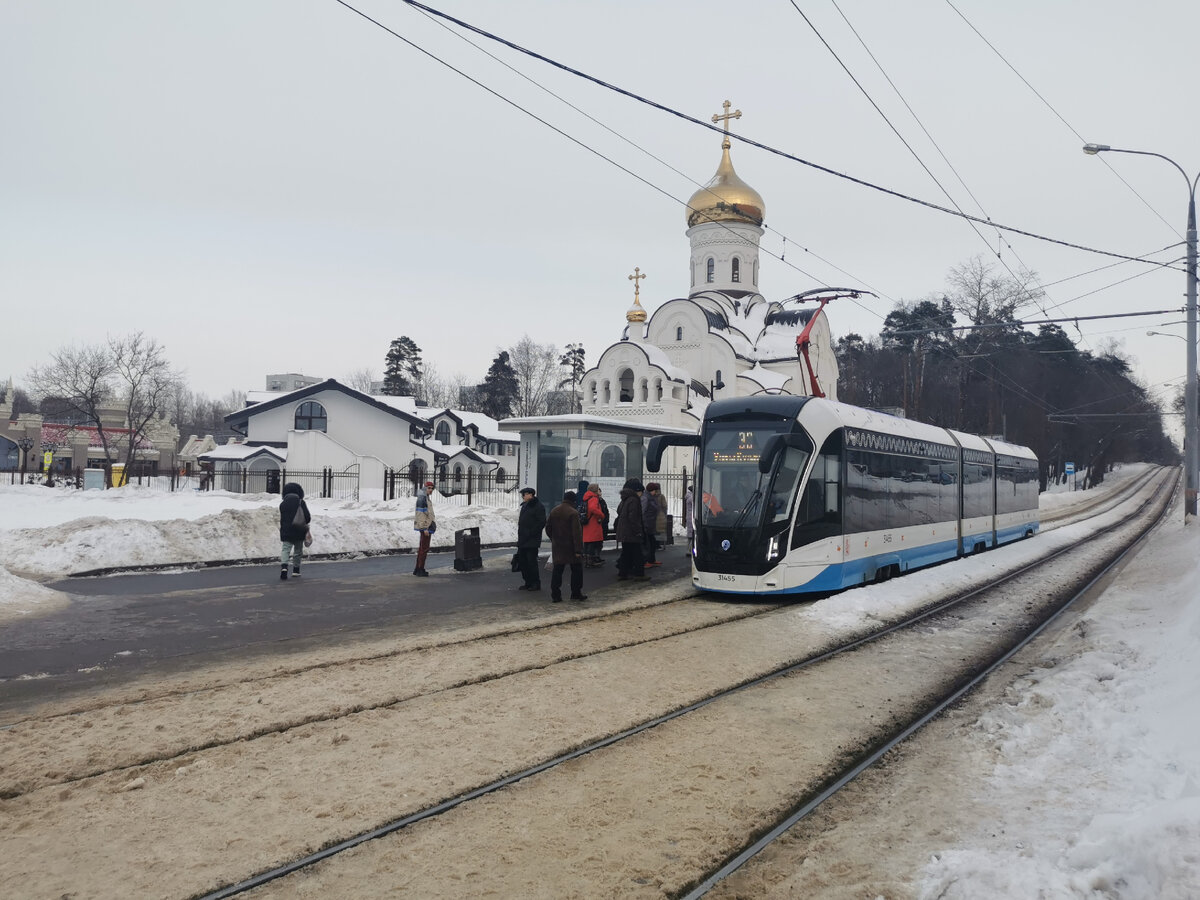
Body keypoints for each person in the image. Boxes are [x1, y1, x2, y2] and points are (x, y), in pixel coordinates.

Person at [545, 490, 587, 602]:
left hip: (558, 546)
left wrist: (554, 538)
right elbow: (576, 533)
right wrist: (578, 550)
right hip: (571, 547)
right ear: (573, 500)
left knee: (557, 570)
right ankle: (576, 593)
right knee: (576, 570)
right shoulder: (573, 513)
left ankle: (556, 595)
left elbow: (548, 528)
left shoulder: (554, 510)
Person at [278, 482, 310, 581]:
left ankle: (284, 567)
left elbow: (283, 519)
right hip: (299, 530)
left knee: (285, 549)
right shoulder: (301, 502)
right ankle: (296, 570)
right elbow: (307, 517)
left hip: (286, 530)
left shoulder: (283, 504)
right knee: (298, 551)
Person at [516, 486, 546, 591]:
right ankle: (527, 582)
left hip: (532, 540)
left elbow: (541, 522)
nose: (523, 496)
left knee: (531, 562)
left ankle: (535, 583)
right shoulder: (525, 506)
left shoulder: (538, 506)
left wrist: (531, 532)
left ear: (530, 495)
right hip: (523, 539)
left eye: (524, 494)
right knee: (523, 562)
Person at [615, 478, 646, 579]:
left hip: (624, 532)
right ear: (636, 490)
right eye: (641, 491)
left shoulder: (625, 499)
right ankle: (639, 574)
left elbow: (619, 511)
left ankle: (622, 573)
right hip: (631, 533)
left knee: (626, 553)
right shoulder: (634, 500)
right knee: (637, 553)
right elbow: (634, 518)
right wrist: (638, 531)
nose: (642, 494)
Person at [413, 480, 436, 576]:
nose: (431, 490)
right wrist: (424, 528)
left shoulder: (425, 497)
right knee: (424, 549)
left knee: (422, 548)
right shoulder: (422, 498)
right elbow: (420, 515)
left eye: (432, 488)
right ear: (425, 488)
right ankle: (420, 569)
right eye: (429, 488)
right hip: (426, 527)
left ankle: (417, 569)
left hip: (427, 525)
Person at [582, 482, 606, 567]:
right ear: (595, 490)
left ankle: (587, 561)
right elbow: (593, 508)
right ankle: (591, 561)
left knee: (588, 543)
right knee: (592, 543)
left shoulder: (586, 498)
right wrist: (601, 515)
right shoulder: (594, 498)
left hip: (587, 524)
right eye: (597, 488)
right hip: (593, 524)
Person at [641, 481, 662, 568]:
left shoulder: (652, 497)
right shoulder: (645, 498)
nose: (656, 492)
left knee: (652, 543)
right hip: (646, 524)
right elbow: (642, 511)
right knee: (648, 544)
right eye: (655, 491)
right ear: (651, 490)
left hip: (651, 524)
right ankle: (646, 561)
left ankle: (651, 560)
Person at [684, 485, 695, 549]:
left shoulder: (689, 496)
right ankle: (690, 549)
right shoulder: (691, 497)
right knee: (691, 535)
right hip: (691, 517)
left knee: (690, 535)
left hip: (689, 516)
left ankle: (689, 548)